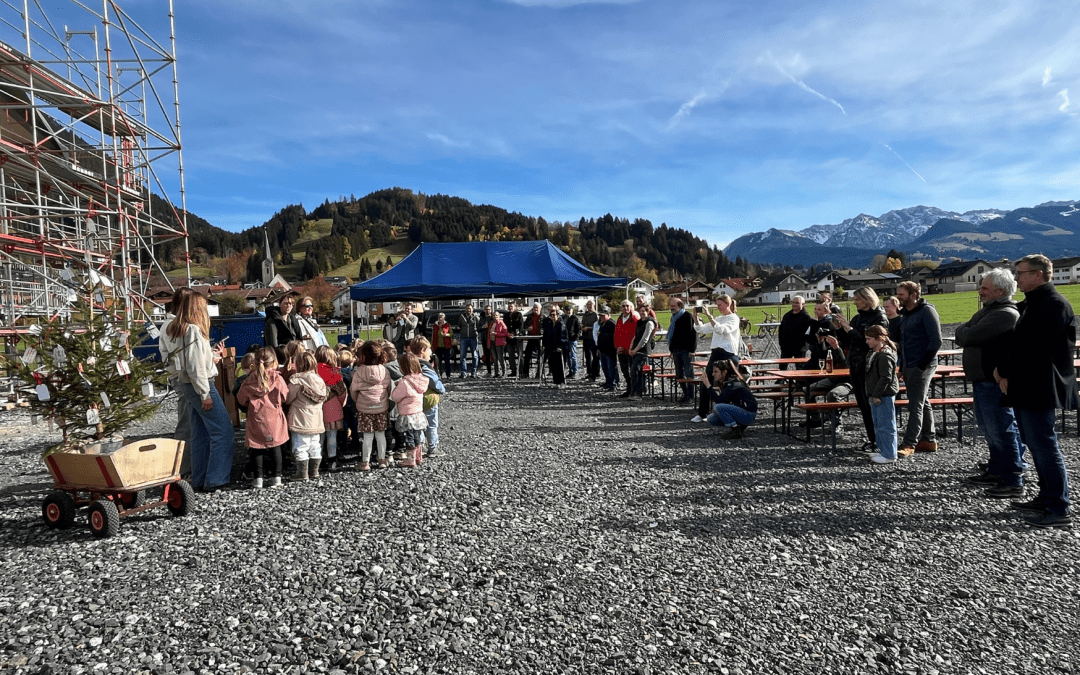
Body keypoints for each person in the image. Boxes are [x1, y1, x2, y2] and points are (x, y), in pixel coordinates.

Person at [995, 254, 1077, 528]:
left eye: (1021, 273)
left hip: (1040, 385)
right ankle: (1046, 497)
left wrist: (1003, 370)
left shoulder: (1053, 304)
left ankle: (1059, 507)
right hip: (1028, 384)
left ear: (1038, 274)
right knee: (1035, 444)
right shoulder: (1035, 303)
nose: (1016, 278)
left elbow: (1033, 348)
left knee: (1044, 445)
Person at [954, 269, 1024, 496]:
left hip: (993, 382)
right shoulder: (989, 311)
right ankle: (996, 469)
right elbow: (962, 332)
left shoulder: (1004, 314)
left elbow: (966, 335)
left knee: (1002, 430)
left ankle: (1012, 479)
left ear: (1000, 291)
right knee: (990, 430)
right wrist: (965, 331)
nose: (980, 291)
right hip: (983, 380)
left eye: (984, 288)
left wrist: (965, 331)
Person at [158, 292, 234, 492]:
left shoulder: (180, 329)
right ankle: (216, 478)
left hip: (188, 384)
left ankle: (200, 478)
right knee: (223, 431)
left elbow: (192, 361)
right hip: (199, 385)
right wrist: (205, 394)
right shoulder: (192, 330)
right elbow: (194, 366)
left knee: (199, 432)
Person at [832, 286, 889, 453]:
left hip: (870, 367)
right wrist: (840, 329)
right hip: (856, 365)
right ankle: (872, 440)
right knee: (863, 405)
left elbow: (868, 343)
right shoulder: (857, 318)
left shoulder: (879, 318)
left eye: (857, 299)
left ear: (867, 299)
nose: (854, 302)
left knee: (872, 405)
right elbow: (849, 342)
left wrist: (849, 329)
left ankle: (880, 441)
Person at [894, 281, 942, 457]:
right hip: (909, 364)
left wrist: (921, 366)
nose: (898, 297)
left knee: (915, 404)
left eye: (901, 294)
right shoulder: (907, 314)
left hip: (922, 365)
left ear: (913, 295)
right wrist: (902, 367)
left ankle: (909, 443)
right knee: (922, 400)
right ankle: (928, 440)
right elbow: (905, 343)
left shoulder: (927, 311)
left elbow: (936, 341)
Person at [236, 347, 290, 488]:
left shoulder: (248, 381)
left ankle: (258, 479)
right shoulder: (277, 378)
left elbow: (241, 399)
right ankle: (276, 478)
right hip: (274, 417)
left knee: (257, 448)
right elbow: (285, 396)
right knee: (275, 447)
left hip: (256, 418)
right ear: (273, 362)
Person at [690, 294, 741, 423]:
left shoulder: (734, 318)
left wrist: (709, 316)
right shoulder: (718, 318)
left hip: (728, 354)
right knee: (706, 381)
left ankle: (727, 414)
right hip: (715, 353)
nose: (718, 307)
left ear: (728, 304)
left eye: (720, 305)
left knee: (727, 385)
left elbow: (722, 330)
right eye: (717, 305)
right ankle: (702, 413)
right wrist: (695, 318)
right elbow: (702, 329)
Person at [160, 287, 194, 477]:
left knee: (188, 421)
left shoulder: (170, 324)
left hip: (180, 375)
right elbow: (181, 354)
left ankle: (188, 466)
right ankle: (183, 469)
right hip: (183, 377)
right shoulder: (173, 325)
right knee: (186, 423)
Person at [285, 351, 328, 482]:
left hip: (300, 418)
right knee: (315, 444)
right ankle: (314, 471)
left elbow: (288, 399)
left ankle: (302, 473)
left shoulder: (296, 381)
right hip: (316, 418)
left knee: (300, 446)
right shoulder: (319, 380)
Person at [350, 341, 391, 471]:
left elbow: (353, 390)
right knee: (380, 434)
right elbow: (388, 388)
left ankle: (365, 462)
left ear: (362, 357)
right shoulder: (384, 370)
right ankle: (382, 460)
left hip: (364, 408)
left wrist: (358, 402)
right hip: (381, 407)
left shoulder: (359, 372)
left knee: (367, 436)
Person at [863, 325, 901, 464]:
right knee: (879, 424)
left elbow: (886, 377)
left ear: (879, 339)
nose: (867, 341)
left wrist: (877, 394)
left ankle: (889, 454)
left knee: (886, 425)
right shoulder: (877, 353)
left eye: (869, 339)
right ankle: (883, 451)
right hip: (878, 393)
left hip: (884, 395)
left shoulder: (884, 355)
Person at [699, 359, 757, 439]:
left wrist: (708, 385)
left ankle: (735, 430)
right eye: (713, 372)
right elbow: (724, 401)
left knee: (718, 407)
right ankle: (739, 428)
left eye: (716, 372)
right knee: (711, 418)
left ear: (724, 372)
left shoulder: (733, 383)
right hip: (742, 411)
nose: (713, 374)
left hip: (749, 414)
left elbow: (719, 401)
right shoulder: (726, 382)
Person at [409, 337, 447, 457]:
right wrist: (442, 389)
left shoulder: (409, 363)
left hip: (415, 399)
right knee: (432, 424)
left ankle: (421, 446)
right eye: (430, 349)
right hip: (429, 398)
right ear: (423, 350)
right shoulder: (424, 366)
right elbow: (434, 381)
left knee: (419, 424)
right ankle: (433, 447)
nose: (431, 353)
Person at [391, 352, 429, 468]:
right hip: (418, 414)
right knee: (417, 436)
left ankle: (410, 460)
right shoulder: (421, 380)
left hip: (407, 415)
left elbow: (395, 397)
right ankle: (418, 457)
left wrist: (397, 387)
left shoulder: (404, 382)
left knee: (409, 438)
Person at [315, 345, 347, 473]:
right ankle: (332, 461)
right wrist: (341, 403)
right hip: (333, 407)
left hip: (316, 408)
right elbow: (342, 392)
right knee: (332, 436)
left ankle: (318, 462)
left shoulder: (313, 371)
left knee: (319, 438)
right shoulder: (334, 373)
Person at [667, 298, 696, 404]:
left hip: (686, 350)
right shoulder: (673, 317)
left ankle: (691, 396)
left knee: (689, 373)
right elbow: (673, 335)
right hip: (676, 350)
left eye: (673, 306)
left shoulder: (687, 316)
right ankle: (685, 394)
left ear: (680, 306)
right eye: (671, 306)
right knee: (679, 374)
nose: (671, 308)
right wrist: (671, 349)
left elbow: (693, 333)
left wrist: (692, 350)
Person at [628, 304, 656, 398]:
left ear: (648, 312)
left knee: (635, 370)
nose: (641, 313)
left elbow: (645, 339)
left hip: (643, 351)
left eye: (644, 311)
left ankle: (637, 393)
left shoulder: (649, 323)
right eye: (640, 311)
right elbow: (635, 336)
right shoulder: (639, 322)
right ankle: (636, 392)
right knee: (637, 372)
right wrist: (631, 348)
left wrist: (635, 350)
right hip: (636, 349)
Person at [613, 301, 638, 398]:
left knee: (632, 371)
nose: (625, 308)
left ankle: (634, 390)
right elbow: (616, 334)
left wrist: (626, 348)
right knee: (624, 370)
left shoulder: (634, 319)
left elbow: (634, 335)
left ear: (631, 307)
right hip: (620, 350)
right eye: (623, 306)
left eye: (627, 306)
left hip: (630, 350)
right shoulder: (619, 319)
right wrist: (617, 346)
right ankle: (629, 389)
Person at [542, 305, 569, 387]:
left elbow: (564, 337)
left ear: (557, 315)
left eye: (554, 315)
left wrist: (560, 346)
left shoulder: (561, 325)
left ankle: (562, 382)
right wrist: (544, 344)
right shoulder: (549, 324)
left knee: (559, 365)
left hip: (559, 348)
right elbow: (546, 335)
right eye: (551, 315)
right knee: (552, 365)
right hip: (550, 347)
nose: (553, 317)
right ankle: (556, 382)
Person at [778, 296, 811, 360]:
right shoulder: (787, 316)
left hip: (800, 348)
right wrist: (781, 343)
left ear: (803, 304)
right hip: (786, 347)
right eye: (793, 302)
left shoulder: (806, 317)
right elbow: (781, 330)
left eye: (797, 303)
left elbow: (808, 333)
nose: (795, 304)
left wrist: (804, 346)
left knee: (800, 365)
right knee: (782, 365)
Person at [595, 305, 619, 391]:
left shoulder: (612, 324)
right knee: (605, 367)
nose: (601, 317)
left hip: (610, 349)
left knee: (611, 367)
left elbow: (614, 337)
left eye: (603, 315)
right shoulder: (602, 324)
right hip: (603, 349)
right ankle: (608, 382)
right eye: (600, 315)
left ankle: (613, 383)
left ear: (608, 315)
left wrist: (603, 336)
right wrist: (598, 348)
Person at [519, 302, 544, 378]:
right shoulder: (529, 317)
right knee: (527, 356)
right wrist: (527, 328)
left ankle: (539, 373)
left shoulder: (543, 317)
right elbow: (524, 327)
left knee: (540, 356)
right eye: (534, 307)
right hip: (531, 338)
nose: (535, 309)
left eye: (537, 308)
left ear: (540, 309)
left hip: (540, 339)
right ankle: (525, 373)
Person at [458, 303, 481, 378]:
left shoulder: (476, 317)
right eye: (467, 308)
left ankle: (474, 372)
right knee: (462, 356)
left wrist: (476, 333)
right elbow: (460, 326)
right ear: (465, 309)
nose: (469, 310)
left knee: (475, 355)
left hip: (473, 338)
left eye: (470, 308)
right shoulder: (461, 317)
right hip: (464, 338)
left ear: (472, 309)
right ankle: (463, 372)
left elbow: (479, 327)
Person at [580, 300, 600, 381]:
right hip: (585, 337)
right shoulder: (585, 314)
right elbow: (582, 322)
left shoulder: (596, 315)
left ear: (594, 305)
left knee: (595, 356)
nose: (589, 306)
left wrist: (588, 328)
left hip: (592, 338)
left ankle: (596, 372)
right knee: (587, 356)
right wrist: (581, 325)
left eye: (590, 304)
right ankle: (589, 372)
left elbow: (597, 327)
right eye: (588, 304)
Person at [431, 313, 454, 379]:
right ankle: (439, 375)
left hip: (446, 346)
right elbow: (433, 336)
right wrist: (432, 345)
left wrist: (447, 335)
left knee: (447, 361)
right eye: (439, 317)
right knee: (438, 362)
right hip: (437, 346)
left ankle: (448, 375)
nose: (440, 318)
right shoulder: (435, 326)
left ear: (444, 318)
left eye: (442, 317)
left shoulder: (447, 325)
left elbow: (451, 334)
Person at [504, 301, 523, 379]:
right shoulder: (506, 315)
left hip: (517, 338)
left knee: (520, 355)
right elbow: (504, 326)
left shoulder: (518, 314)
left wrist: (515, 334)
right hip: (509, 338)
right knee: (511, 355)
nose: (510, 308)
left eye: (511, 306)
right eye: (509, 306)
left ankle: (521, 371)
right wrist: (508, 334)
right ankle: (513, 371)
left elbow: (521, 326)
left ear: (515, 307)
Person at [489, 311, 509, 378]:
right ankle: (496, 373)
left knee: (500, 358)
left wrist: (496, 334)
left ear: (499, 316)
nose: (495, 317)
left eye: (496, 315)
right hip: (492, 342)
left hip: (499, 342)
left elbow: (505, 333)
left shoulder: (501, 323)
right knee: (495, 358)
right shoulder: (492, 323)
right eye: (494, 315)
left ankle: (504, 373)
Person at [564, 306, 581, 378]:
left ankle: (575, 371)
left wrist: (576, 338)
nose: (568, 311)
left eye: (569, 310)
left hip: (572, 339)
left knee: (573, 356)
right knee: (568, 357)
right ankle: (571, 371)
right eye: (567, 310)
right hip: (565, 340)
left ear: (572, 310)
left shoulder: (575, 318)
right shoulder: (564, 318)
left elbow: (579, 329)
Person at [479, 304, 495, 377]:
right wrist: (482, 327)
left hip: (493, 339)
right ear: (484, 310)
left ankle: (497, 372)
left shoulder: (493, 318)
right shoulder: (482, 318)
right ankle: (489, 372)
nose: (487, 311)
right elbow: (478, 329)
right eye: (486, 309)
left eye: (489, 309)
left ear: (491, 310)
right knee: (487, 356)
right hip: (485, 339)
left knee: (495, 356)